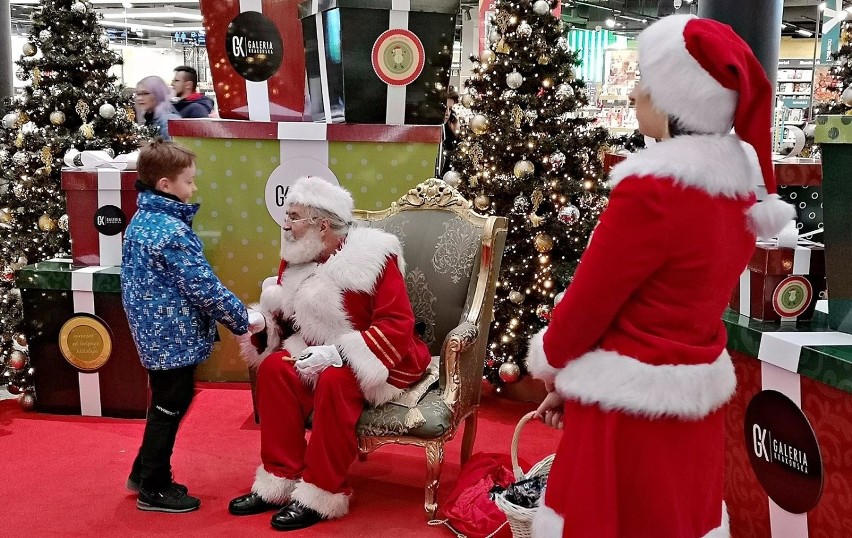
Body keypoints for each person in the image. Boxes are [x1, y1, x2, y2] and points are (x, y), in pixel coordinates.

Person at [525, 15, 795, 538]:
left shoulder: (651, 191)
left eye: (646, 85)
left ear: (679, 102)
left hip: (626, 414)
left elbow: (588, 304)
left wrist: (554, 365)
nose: (634, 96)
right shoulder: (740, 191)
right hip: (691, 402)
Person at [228, 177, 431, 531]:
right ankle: (279, 480)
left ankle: (321, 492)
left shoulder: (375, 256)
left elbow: (398, 323)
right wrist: (264, 324)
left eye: (293, 217)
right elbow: (290, 320)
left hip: (379, 356)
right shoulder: (297, 256)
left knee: (337, 379)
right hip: (313, 351)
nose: (286, 225)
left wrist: (339, 353)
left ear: (322, 225)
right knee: (276, 368)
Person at [121, 140, 259, 513]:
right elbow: (203, 286)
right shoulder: (171, 232)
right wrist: (242, 319)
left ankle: (142, 470)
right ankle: (154, 485)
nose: (194, 188)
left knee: (168, 402)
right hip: (171, 335)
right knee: (171, 403)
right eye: (189, 181)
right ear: (165, 185)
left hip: (155, 332)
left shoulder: (143, 221)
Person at [135, 76, 180, 140]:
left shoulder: (169, 121)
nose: (139, 98)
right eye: (138, 94)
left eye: (145, 93)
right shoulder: (149, 119)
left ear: (158, 94)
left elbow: (173, 148)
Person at [436, 86, 460, 178]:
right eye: (445, 108)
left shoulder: (448, 132)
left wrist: (456, 134)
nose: (447, 113)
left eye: (450, 109)